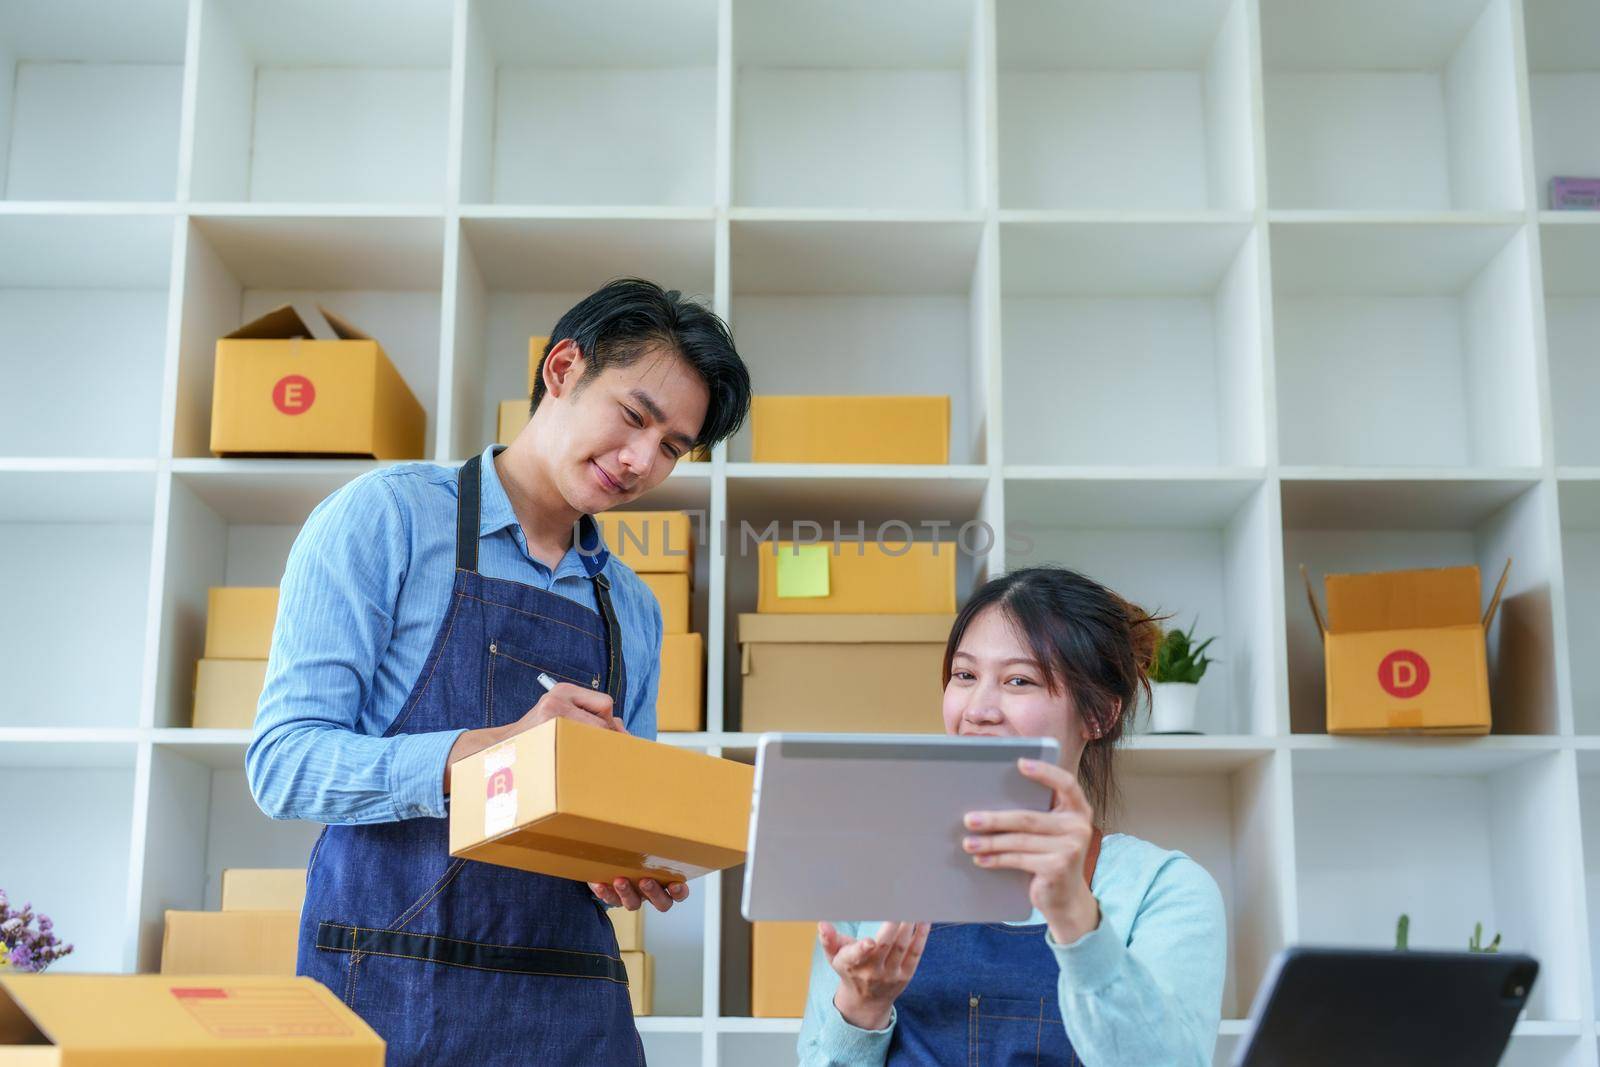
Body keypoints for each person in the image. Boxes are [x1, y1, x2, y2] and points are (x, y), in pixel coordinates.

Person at [245, 279, 751, 1065]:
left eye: (673, 447)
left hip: (570, 1004)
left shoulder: (633, 609)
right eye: (634, 417)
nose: (640, 461)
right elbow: (283, 765)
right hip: (392, 993)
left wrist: (631, 862)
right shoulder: (388, 518)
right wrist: (498, 750)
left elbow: (608, 822)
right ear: (561, 369)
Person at [796, 566, 1227, 1065]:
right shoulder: (872, 880)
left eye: (1019, 680)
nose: (979, 709)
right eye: (965, 675)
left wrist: (1074, 916)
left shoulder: (1164, 889)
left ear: (1100, 715)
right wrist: (862, 1007)